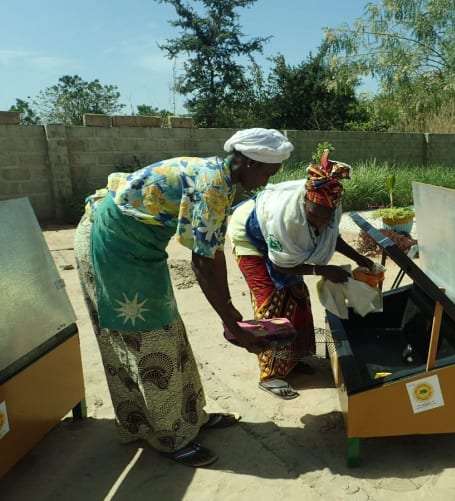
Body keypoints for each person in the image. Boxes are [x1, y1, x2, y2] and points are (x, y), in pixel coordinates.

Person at [73, 128, 294, 467]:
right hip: (113, 244)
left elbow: (213, 252)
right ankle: (168, 436)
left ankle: (190, 418)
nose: (266, 181)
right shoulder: (212, 186)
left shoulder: (222, 180)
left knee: (169, 331)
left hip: (139, 248)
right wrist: (233, 325)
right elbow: (202, 262)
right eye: (267, 172)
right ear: (249, 162)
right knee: (148, 341)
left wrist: (232, 313)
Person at [228, 149, 375, 400]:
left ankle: (291, 360)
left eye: (325, 216)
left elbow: (331, 236)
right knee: (271, 302)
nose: (319, 221)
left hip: (279, 243)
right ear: (304, 202)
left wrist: (360, 259)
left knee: (297, 298)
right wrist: (321, 269)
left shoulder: (328, 208)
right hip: (250, 239)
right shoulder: (288, 219)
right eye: (313, 214)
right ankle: (270, 374)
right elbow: (281, 267)